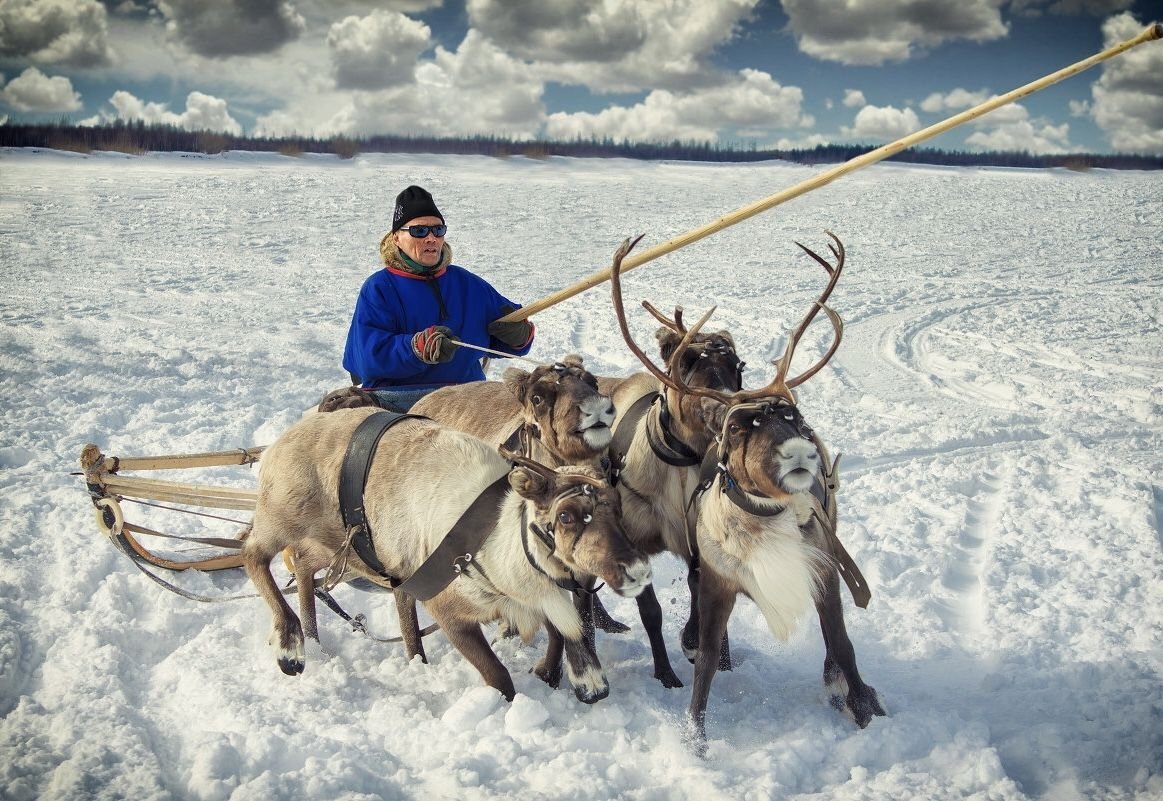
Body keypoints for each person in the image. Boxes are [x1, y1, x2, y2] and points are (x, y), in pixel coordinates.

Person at [342, 185, 535, 412]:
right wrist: (416, 348)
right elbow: (367, 360)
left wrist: (519, 336)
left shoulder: (468, 284)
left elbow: (506, 338)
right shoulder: (379, 288)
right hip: (399, 403)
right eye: (419, 231)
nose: (431, 238)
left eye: (438, 230)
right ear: (396, 238)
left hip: (467, 399)